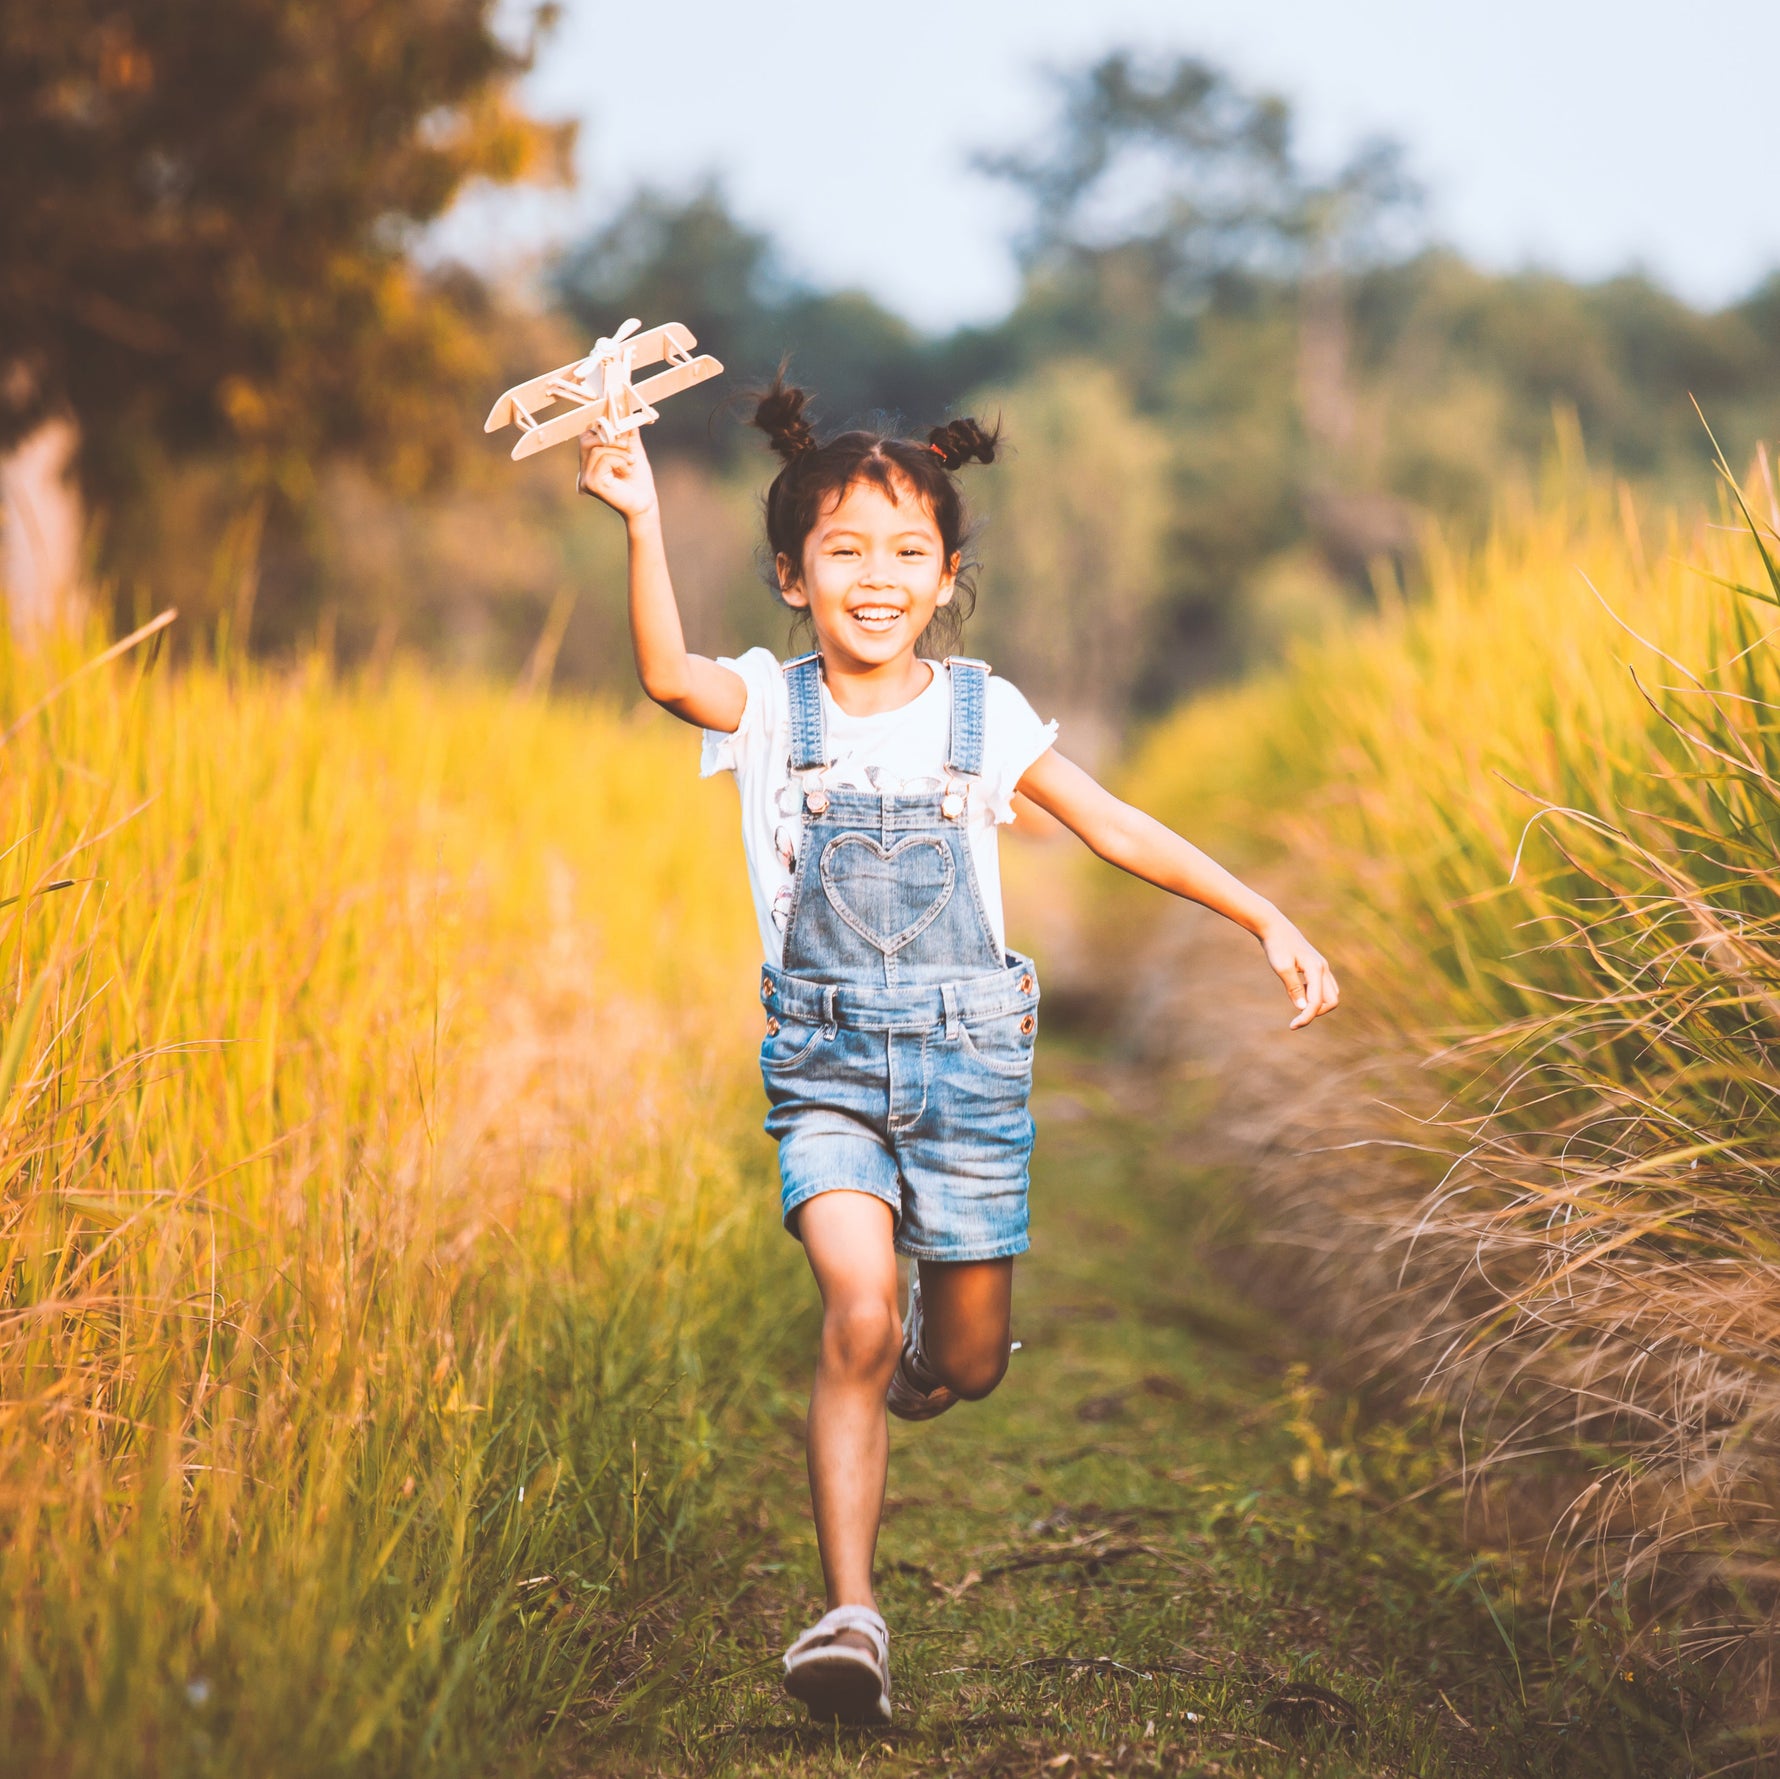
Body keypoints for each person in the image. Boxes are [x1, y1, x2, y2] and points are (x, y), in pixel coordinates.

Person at [576, 380, 1339, 1726]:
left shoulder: (984, 719)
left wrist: (1262, 914)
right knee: (856, 1317)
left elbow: (1113, 826)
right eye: (845, 551)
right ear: (791, 576)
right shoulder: (765, 708)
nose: (877, 577)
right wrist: (639, 515)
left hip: (971, 1078)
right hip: (827, 1075)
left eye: (908, 552)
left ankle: (938, 1352)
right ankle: (851, 1619)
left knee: (967, 1364)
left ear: (948, 576)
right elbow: (660, 673)